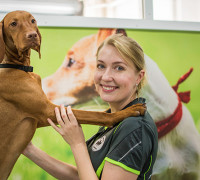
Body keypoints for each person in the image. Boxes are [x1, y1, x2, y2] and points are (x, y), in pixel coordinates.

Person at [22, 34, 158, 180]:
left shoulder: (134, 127)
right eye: (101, 66)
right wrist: (28, 148)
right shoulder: (116, 119)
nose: (105, 77)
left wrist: (77, 144)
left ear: (139, 77)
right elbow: (83, 176)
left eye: (119, 68)